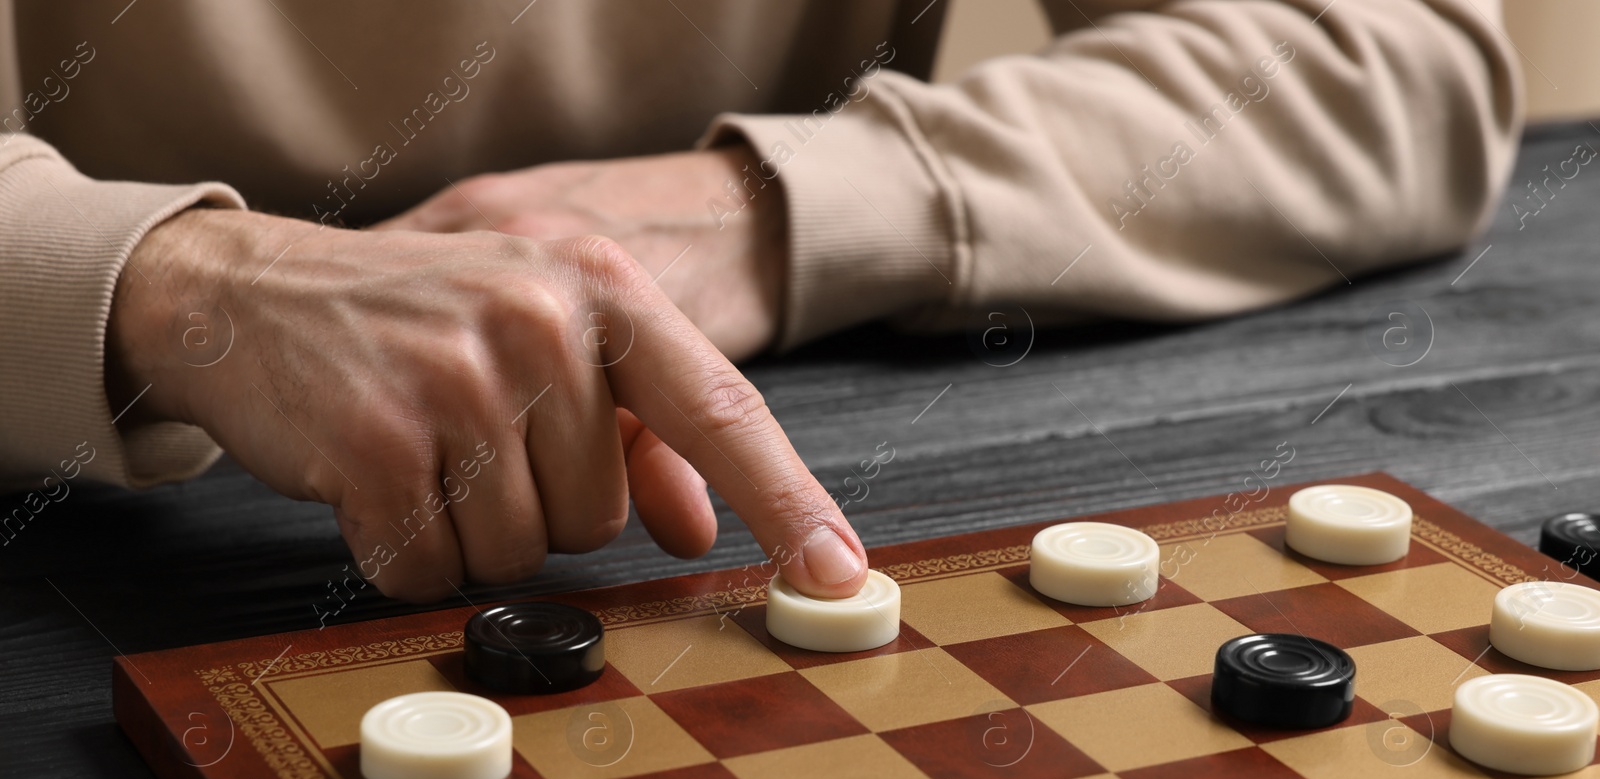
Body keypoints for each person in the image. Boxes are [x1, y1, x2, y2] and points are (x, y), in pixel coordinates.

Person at [0, 0, 1520, 602]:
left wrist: (773, 210)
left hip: (733, 480)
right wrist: (165, 280)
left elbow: (1393, 60)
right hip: (125, 545)